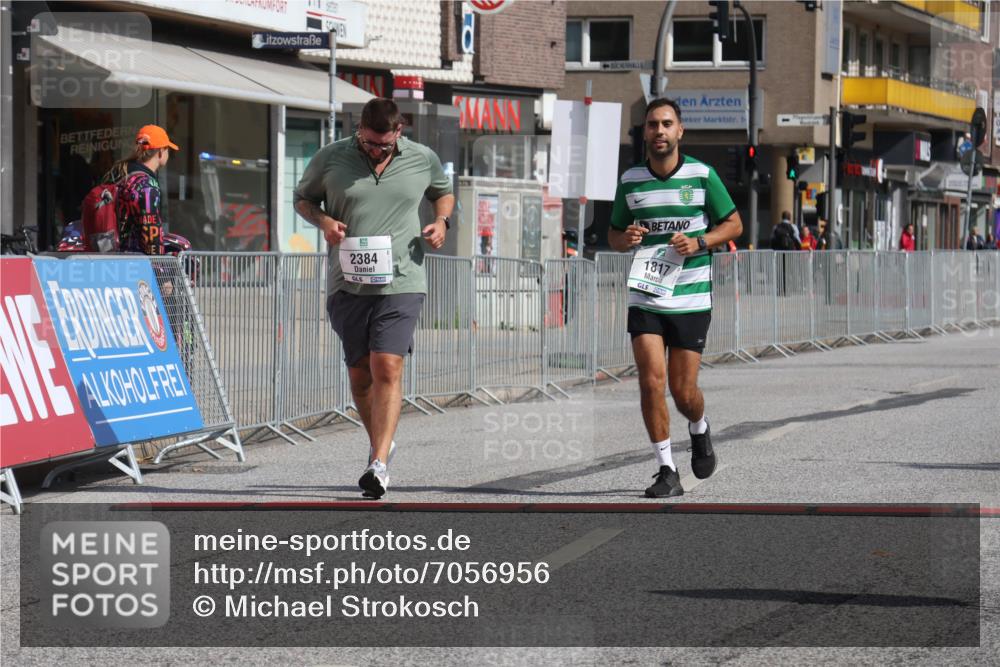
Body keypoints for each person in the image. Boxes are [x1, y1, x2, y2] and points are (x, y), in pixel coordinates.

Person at [294, 98, 454, 500]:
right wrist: (325, 221)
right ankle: (381, 441)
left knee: (387, 364)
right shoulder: (331, 158)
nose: (375, 151)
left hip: (403, 278)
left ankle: (378, 464)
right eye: (368, 143)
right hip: (347, 282)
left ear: (399, 131)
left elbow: (443, 192)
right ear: (359, 130)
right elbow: (303, 200)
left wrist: (441, 221)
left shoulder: (421, 158)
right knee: (360, 374)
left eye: (383, 145)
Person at [608, 98, 743, 498]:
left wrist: (700, 241)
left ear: (680, 130)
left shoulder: (702, 176)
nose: (660, 131)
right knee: (651, 382)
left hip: (691, 298)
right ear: (644, 132)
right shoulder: (631, 181)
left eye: (667, 124)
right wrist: (625, 239)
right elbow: (615, 234)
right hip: (646, 296)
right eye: (652, 125)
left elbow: (734, 224)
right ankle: (666, 469)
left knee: (684, 393)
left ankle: (699, 429)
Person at [102, 125, 177, 256]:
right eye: (167, 149)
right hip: (134, 262)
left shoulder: (119, 173)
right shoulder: (147, 185)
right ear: (161, 152)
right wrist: (159, 269)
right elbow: (151, 236)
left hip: (109, 256)